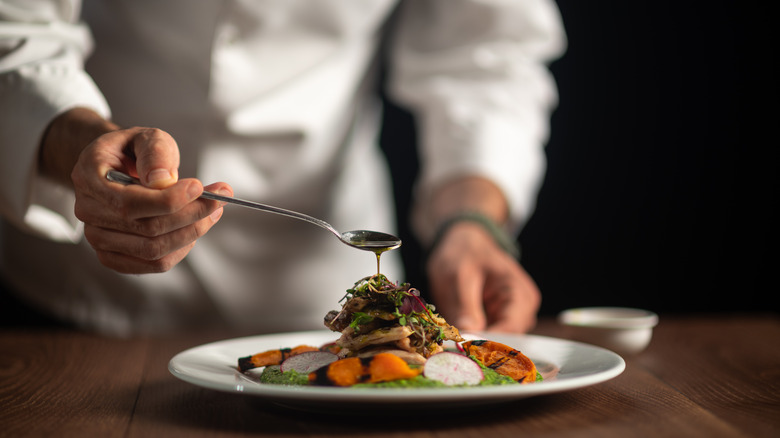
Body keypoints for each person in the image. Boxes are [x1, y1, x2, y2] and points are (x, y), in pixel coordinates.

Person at [0, 0, 566, 336]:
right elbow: (18, 28)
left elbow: (484, 57)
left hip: (315, 276)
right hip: (77, 288)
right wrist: (81, 144)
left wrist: (469, 223)